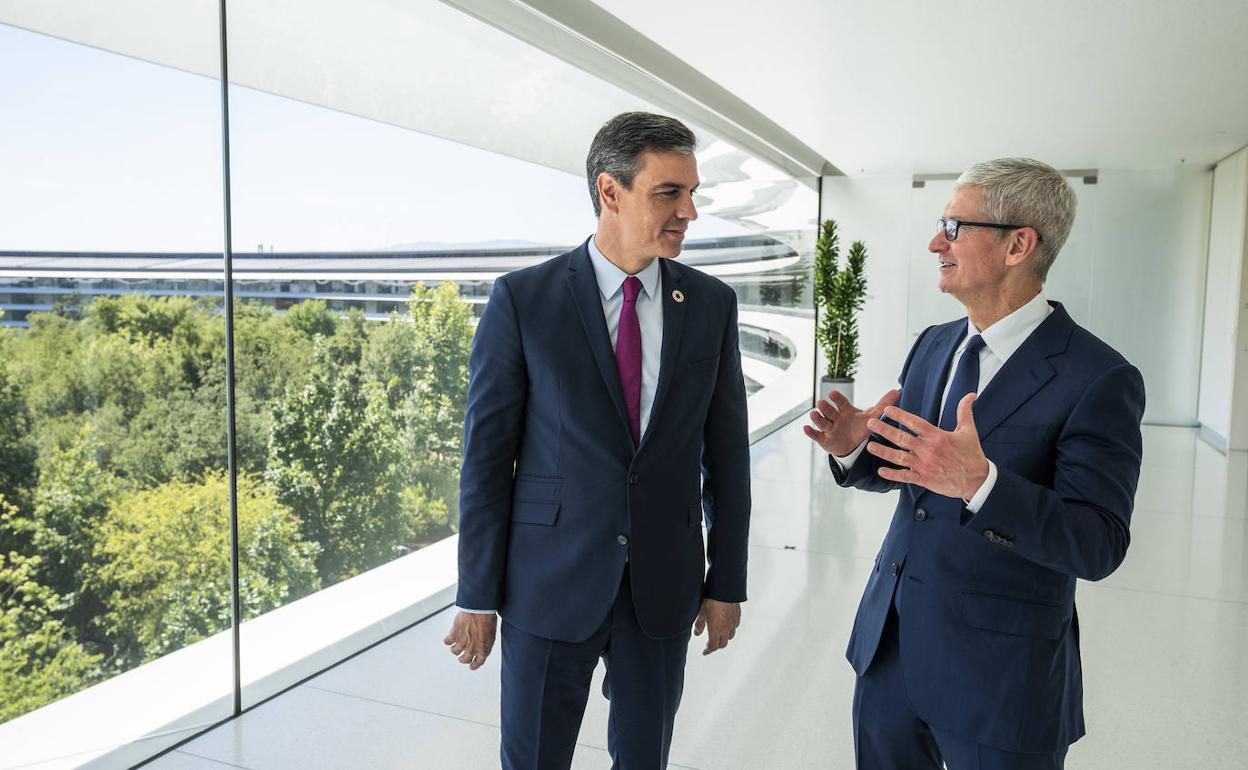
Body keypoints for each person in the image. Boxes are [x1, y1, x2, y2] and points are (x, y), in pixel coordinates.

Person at [805, 157, 1145, 770]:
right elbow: (914, 472)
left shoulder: (1100, 378)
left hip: (1002, 682)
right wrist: (856, 447)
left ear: (1019, 245)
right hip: (891, 653)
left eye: (955, 227)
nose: (937, 242)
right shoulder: (934, 344)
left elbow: (1098, 544)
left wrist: (982, 485)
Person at [444, 111, 751, 770]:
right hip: (548, 581)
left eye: (693, 193)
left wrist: (726, 583)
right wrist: (476, 595)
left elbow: (726, 458)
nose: (690, 212)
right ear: (610, 192)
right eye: (670, 192)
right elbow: (487, 463)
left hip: (664, 582)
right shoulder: (523, 301)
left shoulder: (712, 306)